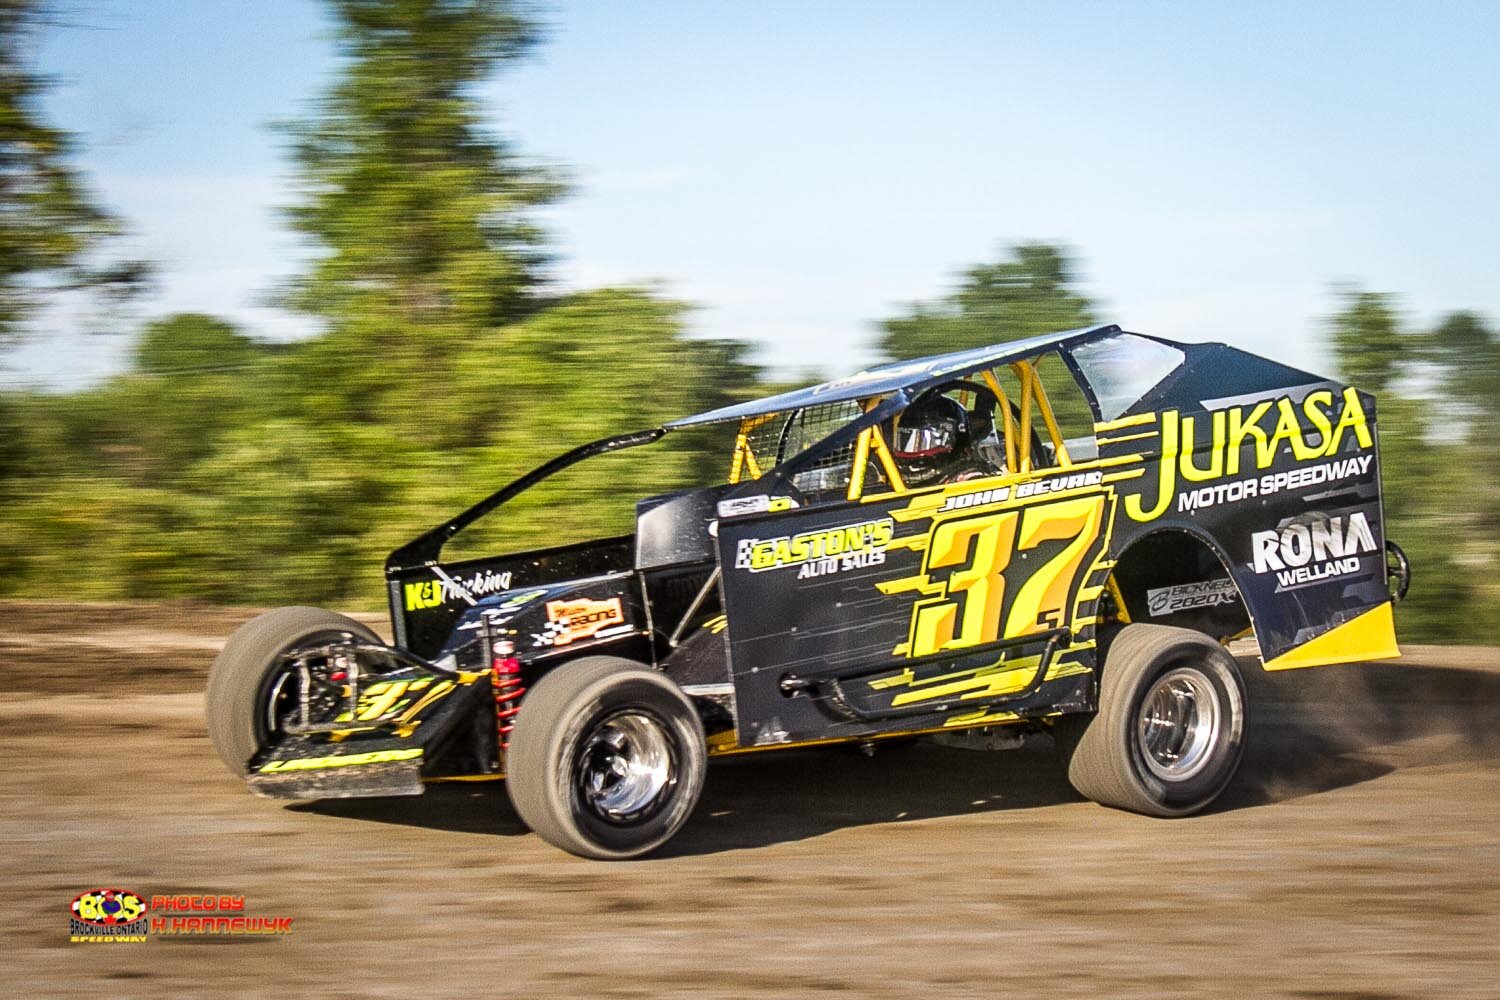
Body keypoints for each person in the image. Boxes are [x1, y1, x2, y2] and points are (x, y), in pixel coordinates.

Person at [887, 390, 1004, 486]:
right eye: (906, 440)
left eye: (922, 440)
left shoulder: (970, 480)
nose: (912, 451)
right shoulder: (894, 476)